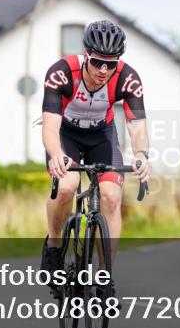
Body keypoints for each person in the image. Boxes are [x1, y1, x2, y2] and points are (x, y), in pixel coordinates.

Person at [40, 19, 152, 282]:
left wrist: (141, 155)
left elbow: (137, 126)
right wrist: (56, 154)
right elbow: (50, 127)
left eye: (110, 64)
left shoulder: (127, 78)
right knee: (67, 186)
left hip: (102, 135)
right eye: (97, 62)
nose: (103, 70)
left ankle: (104, 276)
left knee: (111, 196)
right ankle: (54, 244)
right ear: (86, 55)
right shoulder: (62, 73)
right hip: (66, 134)